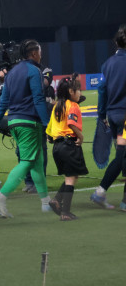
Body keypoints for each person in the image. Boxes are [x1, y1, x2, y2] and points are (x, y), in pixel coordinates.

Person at [0, 40, 52, 217]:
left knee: (36, 162)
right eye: (40, 51)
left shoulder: (12, 73)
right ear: (33, 54)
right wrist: (47, 125)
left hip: (14, 122)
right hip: (29, 123)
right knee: (27, 163)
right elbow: (38, 100)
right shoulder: (34, 71)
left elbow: (3, 103)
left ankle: (46, 202)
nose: (41, 54)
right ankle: (0, 198)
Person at [91, 24, 126, 209]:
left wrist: (102, 114)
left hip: (112, 115)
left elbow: (102, 91)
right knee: (121, 157)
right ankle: (101, 192)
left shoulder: (107, 64)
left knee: (123, 155)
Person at [46, 77, 87, 220]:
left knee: (73, 175)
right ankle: (65, 212)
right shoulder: (73, 105)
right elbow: (71, 123)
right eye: (78, 89)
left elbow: (49, 133)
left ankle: (57, 200)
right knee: (71, 178)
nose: (80, 92)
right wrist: (80, 137)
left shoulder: (56, 106)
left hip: (57, 147)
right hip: (69, 144)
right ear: (71, 91)